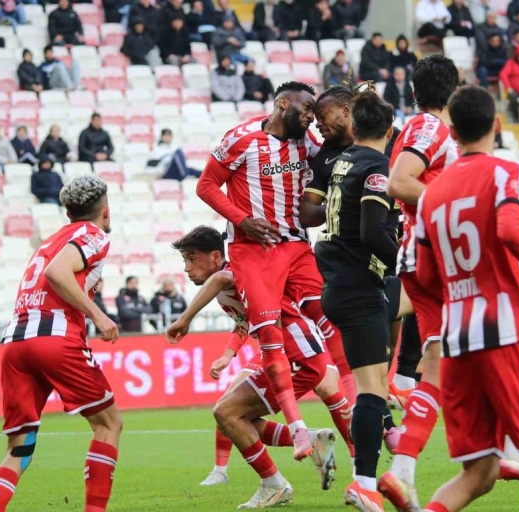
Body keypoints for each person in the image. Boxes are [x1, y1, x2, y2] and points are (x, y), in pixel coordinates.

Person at [413, 85, 519, 512]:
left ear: (452, 132)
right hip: (505, 333)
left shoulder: (430, 195)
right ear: (497, 125)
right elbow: (509, 229)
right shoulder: (508, 172)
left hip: (456, 340)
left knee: (480, 471)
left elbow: (425, 277)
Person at [166, 226, 350, 499]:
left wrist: (184, 319)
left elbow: (221, 278)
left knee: (227, 412)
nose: (187, 268)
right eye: (185, 260)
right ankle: (312, 443)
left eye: (192, 259)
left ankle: (275, 483)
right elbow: (244, 321)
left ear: (216, 256)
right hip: (286, 353)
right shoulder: (229, 286)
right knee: (234, 416)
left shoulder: (234, 273)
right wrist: (229, 353)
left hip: (296, 355)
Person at [196, 81, 325, 462]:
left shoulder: (308, 142)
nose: (311, 116)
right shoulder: (241, 139)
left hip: (296, 248)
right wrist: (242, 220)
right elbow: (206, 185)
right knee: (270, 335)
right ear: (282, 104)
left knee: (330, 320)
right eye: (306, 108)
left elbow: (334, 159)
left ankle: (378, 414)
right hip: (254, 251)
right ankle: (299, 431)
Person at [0, 175, 121, 512]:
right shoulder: (93, 234)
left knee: (19, 447)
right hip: (54, 338)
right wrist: (97, 315)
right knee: (108, 424)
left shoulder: (50, 241)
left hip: (16, 341)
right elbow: (57, 273)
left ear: (68, 212)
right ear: (105, 209)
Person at [379, 56, 460, 511]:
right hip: (436, 256)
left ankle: (403, 472)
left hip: (421, 255)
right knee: (490, 345)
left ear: (414, 92)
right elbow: (398, 182)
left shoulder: (422, 127)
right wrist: (458, 205)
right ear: (454, 92)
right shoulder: (430, 128)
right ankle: (509, 447)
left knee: (438, 364)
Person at [313, 91, 401, 510]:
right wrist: (403, 257)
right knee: (371, 391)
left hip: (340, 282)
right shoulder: (376, 166)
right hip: (357, 287)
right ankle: (363, 481)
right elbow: (371, 231)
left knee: (418, 299)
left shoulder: (344, 161)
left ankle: (408, 379)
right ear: (389, 130)